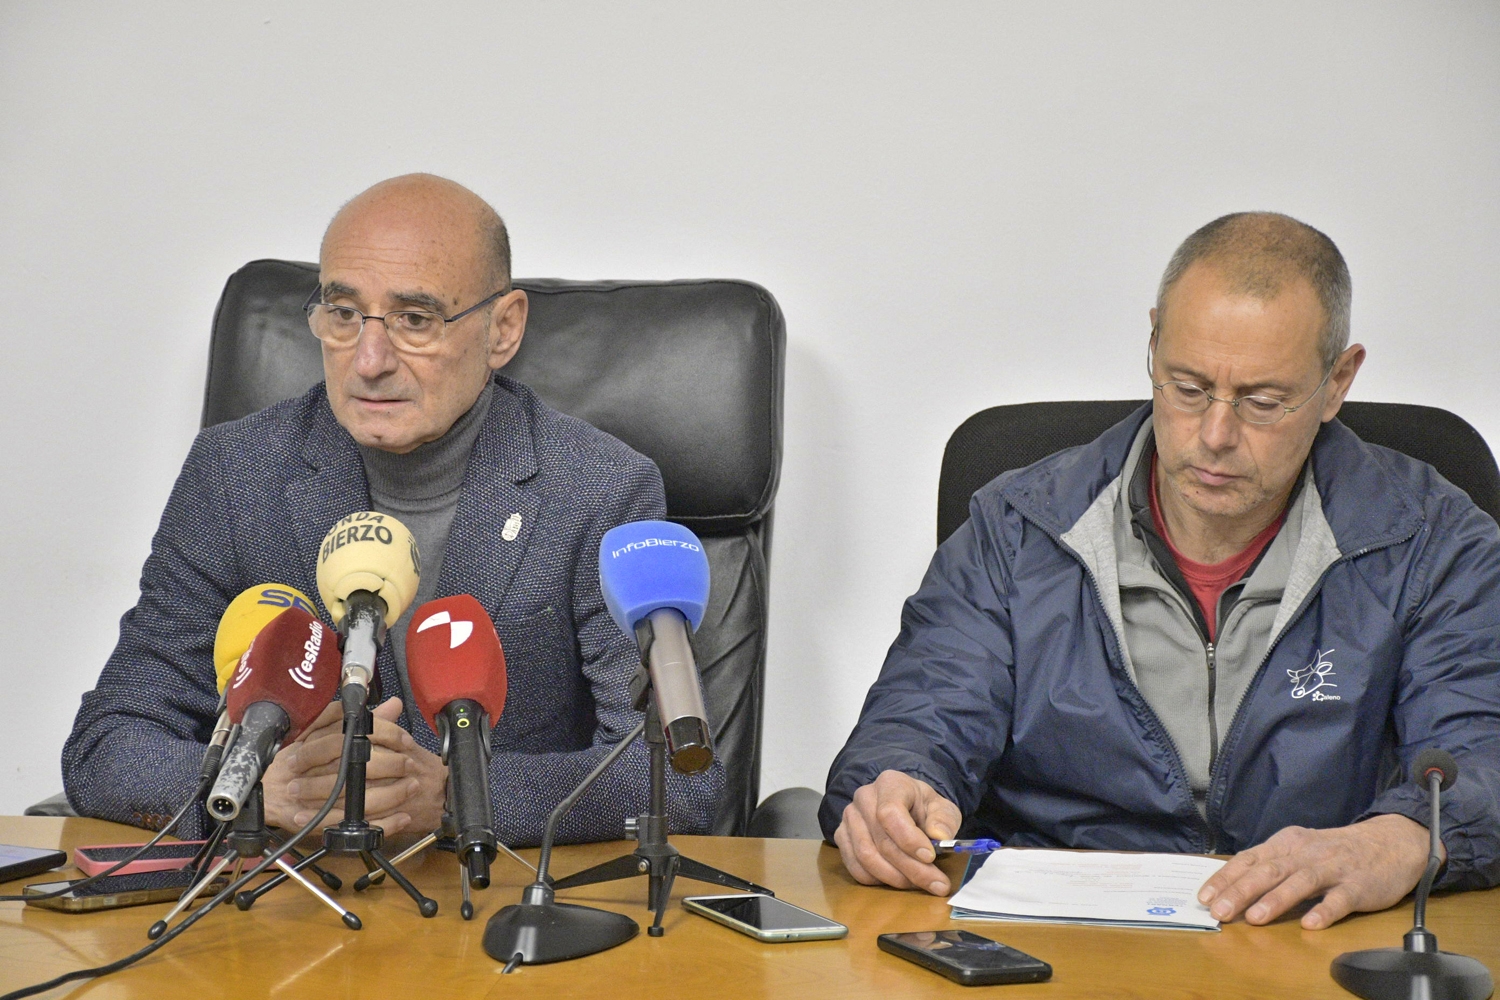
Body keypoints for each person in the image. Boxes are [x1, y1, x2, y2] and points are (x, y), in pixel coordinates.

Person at [822, 212, 1500, 929]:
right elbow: (921, 716)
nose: (1215, 434)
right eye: (1188, 387)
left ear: (1337, 382)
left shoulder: (1432, 544)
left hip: (1307, 936)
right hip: (1054, 941)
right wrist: (897, 791)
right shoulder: (1018, 529)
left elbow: (1480, 754)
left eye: (1262, 403)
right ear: (1153, 342)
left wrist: (1404, 839)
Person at [63, 174, 722, 845]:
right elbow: (107, 743)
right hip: (288, 891)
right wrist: (254, 784)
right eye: (344, 314)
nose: (369, 360)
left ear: (503, 329)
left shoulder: (598, 488)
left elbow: (679, 777)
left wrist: (455, 796)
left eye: (414, 320)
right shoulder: (236, 474)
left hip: (488, 894)